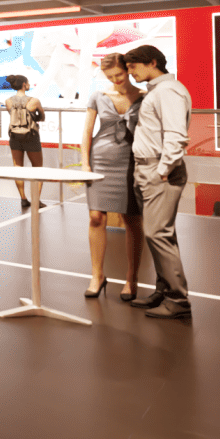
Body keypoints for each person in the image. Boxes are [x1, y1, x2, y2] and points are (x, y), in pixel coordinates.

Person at [125, 44, 193, 319]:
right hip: (148, 169)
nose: (131, 73)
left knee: (157, 233)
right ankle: (163, 291)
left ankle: (178, 300)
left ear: (152, 63)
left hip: (158, 171)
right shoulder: (159, 91)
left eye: (133, 67)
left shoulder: (168, 91)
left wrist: (163, 170)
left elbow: (176, 135)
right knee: (161, 233)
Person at [79, 53, 145, 301]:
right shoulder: (98, 96)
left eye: (119, 74)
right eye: (110, 77)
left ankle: (132, 278)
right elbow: (86, 133)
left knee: (132, 220)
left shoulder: (144, 97)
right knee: (96, 217)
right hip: (100, 160)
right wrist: (85, 163)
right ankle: (97, 275)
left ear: (128, 70)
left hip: (132, 162)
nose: (116, 80)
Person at [4, 74, 45, 210]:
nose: (29, 85)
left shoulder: (8, 101)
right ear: (24, 85)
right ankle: (36, 200)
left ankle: (23, 198)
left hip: (15, 136)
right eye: (28, 83)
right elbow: (42, 117)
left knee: (18, 168)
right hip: (31, 136)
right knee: (38, 168)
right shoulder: (34, 101)